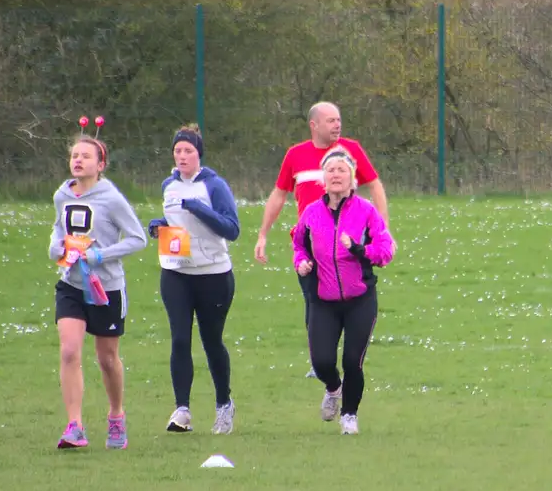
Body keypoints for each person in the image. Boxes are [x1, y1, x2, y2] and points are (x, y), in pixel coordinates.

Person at [254, 102, 388, 373]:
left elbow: (374, 184)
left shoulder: (351, 150)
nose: (337, 125)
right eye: (330, 121)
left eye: (339, 120)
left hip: (347, 246)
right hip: (312, 247)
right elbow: (279, 194)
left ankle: (348, 352)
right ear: (313, 125)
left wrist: (382, 231)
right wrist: (262, 235)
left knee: (350, 297)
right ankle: (322, 360)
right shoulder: (295, 155)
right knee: (313, 300)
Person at [48, 132, 148, 449]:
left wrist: (100, 255)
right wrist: (56, 246)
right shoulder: (61, 195)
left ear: (100, 164)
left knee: (107, 359)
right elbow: (58, 229)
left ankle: (116, 415)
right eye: (74, 155)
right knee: (68, 351)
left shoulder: (112, 198)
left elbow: (138, 239)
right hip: (71, 285)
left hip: (105, 288)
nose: (78, 160)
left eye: (86, 156)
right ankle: (74, 426)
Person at [290, 148, 395, 436]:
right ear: (323, 179)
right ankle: (333, 388)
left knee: (352, 360)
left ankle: (349, 415)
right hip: (324, 300)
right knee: (322, 361)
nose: (336, 175)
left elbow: (386, 252)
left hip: (360, 299)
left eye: (342, 170)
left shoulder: (366, 212)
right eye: (331, 170)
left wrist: (359, 250)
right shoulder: (311, 213)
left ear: (352, 180)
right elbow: (298, 244)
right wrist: (301, 263)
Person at [147, 124, 242, 434]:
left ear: (199, 154)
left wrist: (200, 209)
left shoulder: (214, 186)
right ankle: (182, 410)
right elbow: (177, 222)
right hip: (175, 272)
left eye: (188, 150)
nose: (182, 156)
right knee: (179, 339)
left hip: (213, 274)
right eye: (178, 151)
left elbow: (232, 229)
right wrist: (160, 225)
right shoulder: (168, 185)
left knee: (211, 341)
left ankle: (224, 404)